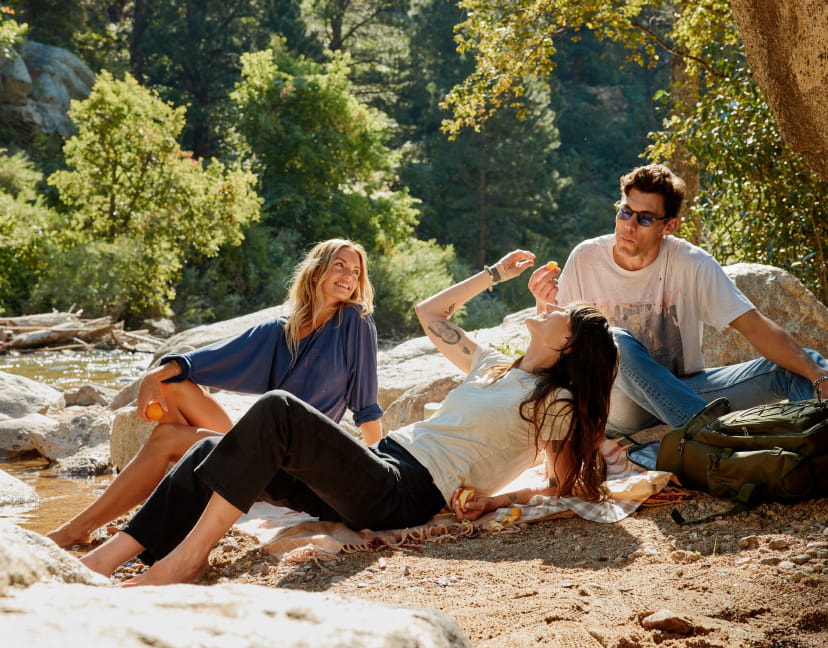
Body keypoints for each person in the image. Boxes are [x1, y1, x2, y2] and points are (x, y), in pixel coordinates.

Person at [78, 249, 618, 585]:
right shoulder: (495, 366)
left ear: (568, 344)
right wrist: (494, 274)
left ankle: (186, 560)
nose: (548, 308)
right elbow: (429, 314)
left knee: (277, 410)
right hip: (377, 467)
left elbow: (564, 482)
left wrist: (498, 499)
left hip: (408, 492)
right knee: (204, 448)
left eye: (559, 314)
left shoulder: (556, 403)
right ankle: (108, 557)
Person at [47, 238, 383, 548]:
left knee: (167, 438)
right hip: (265, 451)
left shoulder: (354, 320)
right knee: (171, 386)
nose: (349, 276)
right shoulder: (279, 331)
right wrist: (155, 374)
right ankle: (204, 494)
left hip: (299, 467)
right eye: (340, 265)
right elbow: (203, 361)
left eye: (356, 271)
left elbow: (366, 405)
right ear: (315, 272)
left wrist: (379, 473)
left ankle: (79, 528)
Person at [529, 164, 828, 436]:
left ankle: (809, 449)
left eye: (645, 218)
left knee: (806, 365)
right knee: (615, 340)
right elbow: (555, 347)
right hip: (615, 403)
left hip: (683, 390)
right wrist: (543, 305)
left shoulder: (692, 263)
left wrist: (817, 376)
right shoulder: (586, 258)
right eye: (625, 212)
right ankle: (713, 437)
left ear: (669, 226)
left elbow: (754, 327)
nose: (630, 225)